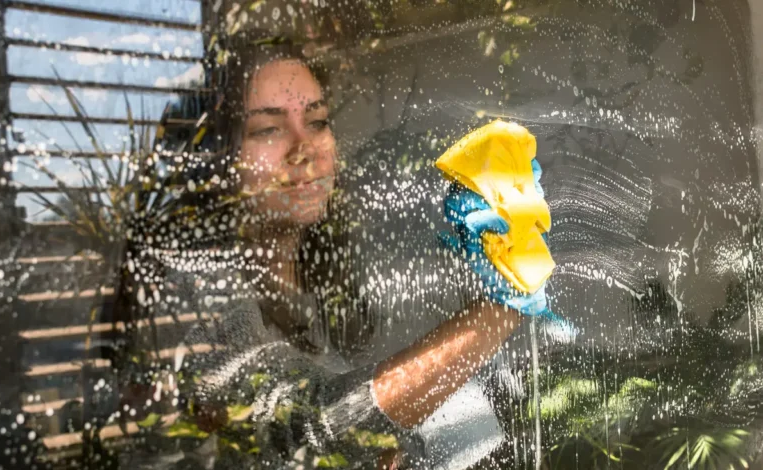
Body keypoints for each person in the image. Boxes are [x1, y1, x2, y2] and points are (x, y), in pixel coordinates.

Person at [159, 33, 555, 470]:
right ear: (218, 162)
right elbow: (310, 427)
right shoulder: (200, 296)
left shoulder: (321, 278)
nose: (304, 148)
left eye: (317, 121)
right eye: (267, 129)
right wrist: (501, 306)